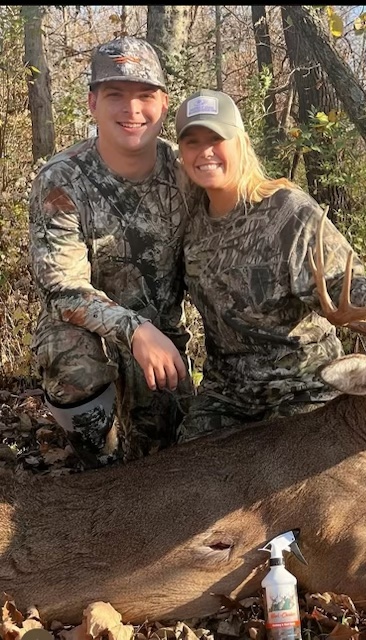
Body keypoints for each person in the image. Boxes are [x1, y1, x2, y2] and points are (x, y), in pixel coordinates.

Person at [174, 89, 366, 439]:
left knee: (298, 467)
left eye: (217, 139)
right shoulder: (189, 219)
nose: (205, 152)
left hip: (303, 389)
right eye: (192, 142)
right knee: (183, 460)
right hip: (227, 397)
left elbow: (341, 283)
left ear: (241, 143)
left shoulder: (288, 212)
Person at [28, 36, 194, 469]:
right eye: (115, 95)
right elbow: (63, 290)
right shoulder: (61, 179)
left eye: (145, 96)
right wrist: (135, 330)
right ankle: (98, 468)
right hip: (94, 336)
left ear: (163, 104)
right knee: (71, 359)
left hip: (161, 342)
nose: (132, 109)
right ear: (92, 103)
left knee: (167, 460)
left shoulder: (185, 175)